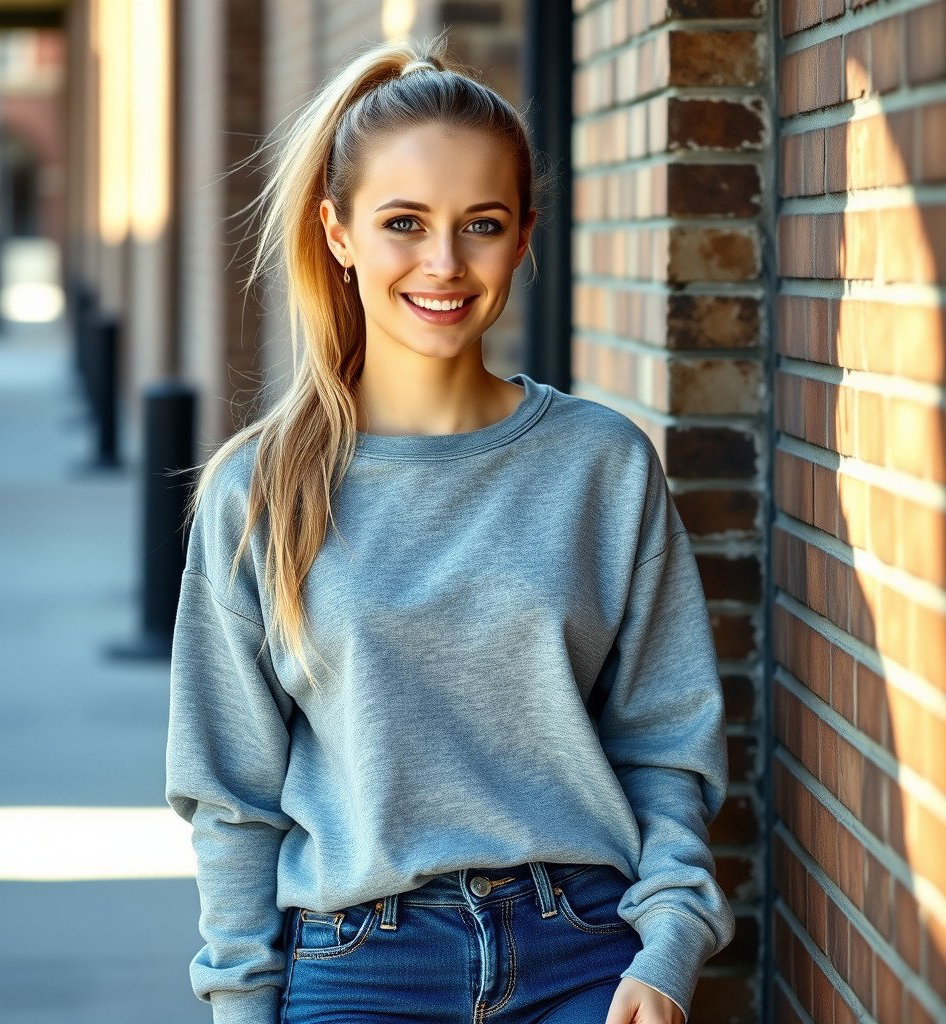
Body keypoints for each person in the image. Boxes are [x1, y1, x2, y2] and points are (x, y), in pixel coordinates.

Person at [164, 31, 736, 1024]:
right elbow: (230, 797)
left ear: (524, 235)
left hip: (585, 957)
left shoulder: (598, 465)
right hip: (354, 968)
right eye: (402, 222)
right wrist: (239, 1005)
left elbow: (666, 743)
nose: (442, 262)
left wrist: (668, 947)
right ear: (337, 232)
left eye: (480, 223)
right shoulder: (261, 488)